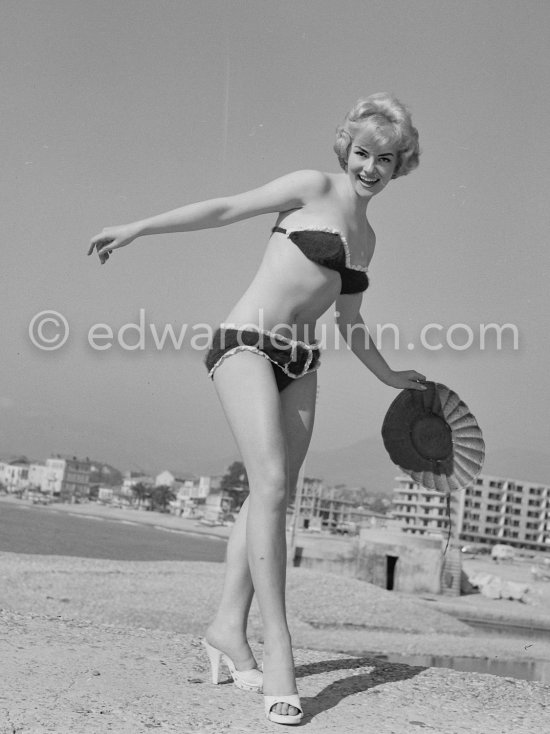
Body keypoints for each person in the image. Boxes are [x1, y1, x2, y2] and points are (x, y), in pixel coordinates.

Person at [88, 92, 427, 726]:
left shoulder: (368, 237)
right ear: (345, 149)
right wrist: (137, 227)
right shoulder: (310, 186)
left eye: (386, 158)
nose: (371, 167)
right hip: (245, 344)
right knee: (269, 484)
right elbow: (223, 209)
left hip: (302, 362)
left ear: (401, 162)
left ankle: (225, 628)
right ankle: (280, 653)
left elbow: (350, 320)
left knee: (272, 496)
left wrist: (389, 375)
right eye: (362, 153)